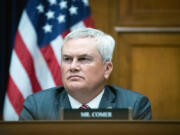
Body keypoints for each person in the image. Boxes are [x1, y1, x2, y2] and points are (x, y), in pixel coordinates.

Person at [19, 28, 152, 120]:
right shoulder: (37, 105)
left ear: (107, 69)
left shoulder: (134, 105)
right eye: (67, 59)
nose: (73, 67)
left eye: (83, 59)